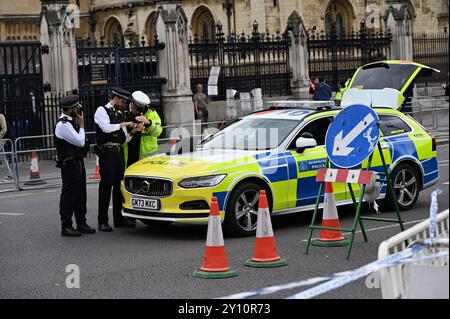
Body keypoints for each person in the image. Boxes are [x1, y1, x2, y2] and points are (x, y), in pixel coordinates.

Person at [94, 87, 135, 231]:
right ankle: (102, 221)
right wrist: (122, 125)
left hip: (118, 152)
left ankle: (119, 218)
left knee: (119, 187)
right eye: (122, 101)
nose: (124, 105)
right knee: (106, 187)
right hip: (107, 153)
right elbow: (105, 128)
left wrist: (132, 132)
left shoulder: (118, 114)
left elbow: (123, 139)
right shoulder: (101, 111)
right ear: (115, 99)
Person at [55, 95, 95, 237]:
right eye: (76, 107)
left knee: (80, 195)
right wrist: (82, 126)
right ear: (71, 109)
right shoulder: (63, 125)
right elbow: (79, 142)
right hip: (69, 164)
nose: (78, 109)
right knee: (69, 195)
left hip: (77, 162)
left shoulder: (72, 122)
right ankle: (66, 226)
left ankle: (81, 222)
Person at [123, 91, 163, 168]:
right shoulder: (124, 112)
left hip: (147, 160)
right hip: (129, 157)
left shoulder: (151, 113)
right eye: (134, 107)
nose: (136, 111)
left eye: (139, 109)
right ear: (132, 103)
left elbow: (158, 132)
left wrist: (148, 123)